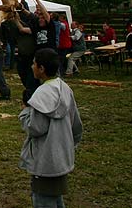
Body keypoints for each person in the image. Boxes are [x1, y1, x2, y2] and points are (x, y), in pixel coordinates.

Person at [19, 48, 83, 208]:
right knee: (55, 198)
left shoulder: (41, 94)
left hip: (45, 160)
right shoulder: (65, 88)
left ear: (41, 69)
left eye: (34, 64)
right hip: (61, 157)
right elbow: (76, 124)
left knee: (43, 200)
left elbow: (35, 128)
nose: (32, 67)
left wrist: (25, 111)